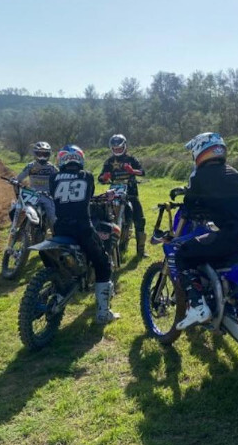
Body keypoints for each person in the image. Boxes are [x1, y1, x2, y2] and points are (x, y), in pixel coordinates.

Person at [174, 132, 238, 330]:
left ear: (200, 151)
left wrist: (176, 234)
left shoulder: (200, 175)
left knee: (183, 253)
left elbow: (188, 209)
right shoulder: (233, 171)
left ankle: (198, 306)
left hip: (232, 236)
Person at [50, 145, 119, 324]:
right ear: (80, 159)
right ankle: (103, 313)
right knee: (103, 264)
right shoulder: (86, 176)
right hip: (82, 227)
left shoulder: (53, 177)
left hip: (60, 227)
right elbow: (88, 197)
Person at [98, 134, 148, 257]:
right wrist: (104, 178)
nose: (117, 151)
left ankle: (141, 250)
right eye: (115, 149)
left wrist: (133, 171)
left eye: (119, 148)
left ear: (125, 146)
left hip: (131, 193)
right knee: (108, 218)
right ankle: (109, 246)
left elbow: (142, 172)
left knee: (139, 219)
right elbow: (100, 178)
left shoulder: (131, 159)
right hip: (114, 194)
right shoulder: (109, 161)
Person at [15, 141, 58, 228]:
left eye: (45, 154)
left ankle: (55, 234)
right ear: (35, 154)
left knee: (53, 216)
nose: (42, 157)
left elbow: (60, 177)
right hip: (33, 194)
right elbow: (20, 177)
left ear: (48, 155)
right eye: (40, 154)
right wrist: (15, 181)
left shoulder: (52, 168)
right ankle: (17, 229)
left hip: (47, 196)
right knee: (18, 208)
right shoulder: (31, 166)